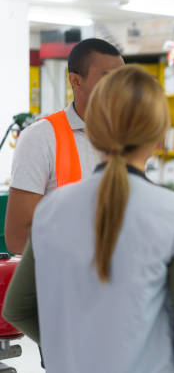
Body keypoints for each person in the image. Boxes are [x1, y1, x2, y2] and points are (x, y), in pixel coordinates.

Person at [2, 66, 174, 373]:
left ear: (96, 131)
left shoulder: (51, 211)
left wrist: (69, 344)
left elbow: (18, 307)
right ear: (158, 137)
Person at [4, 38, 124, 255]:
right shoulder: (40, 138)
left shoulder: (129, 136)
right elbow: (18, 236)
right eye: (107, 79)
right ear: (76, 81)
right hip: (64, 281)